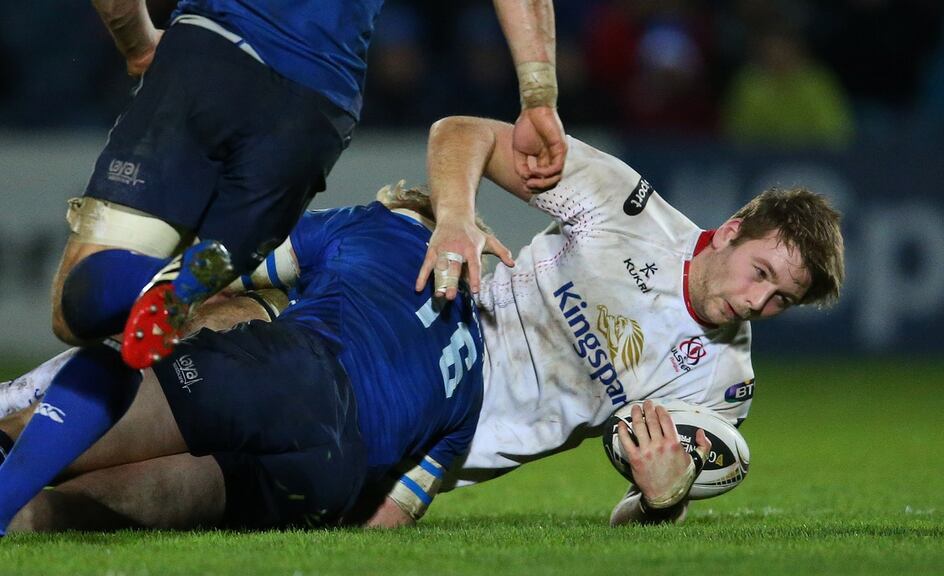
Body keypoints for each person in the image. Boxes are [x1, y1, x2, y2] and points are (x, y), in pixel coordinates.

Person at [2, 114, 844, 529]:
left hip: (428, 433)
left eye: (780, 300)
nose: (758, 301)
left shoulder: (723, 379)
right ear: (731, 229)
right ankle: (19, 418)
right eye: (762, 272)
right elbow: (465, 132)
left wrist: (662, 502)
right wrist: (452, 216)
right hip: (421, 317)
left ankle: (35, 474)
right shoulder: (624, 204)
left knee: (210, 448)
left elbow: (647, 499)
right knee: (227, 323)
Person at [54, 0, 566, 370]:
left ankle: (170, 292)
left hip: (212, 55)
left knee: (74, 311)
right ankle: (202, 291)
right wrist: (539, 95)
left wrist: (138, 41)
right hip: (315, 110)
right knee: (194, 297)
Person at [0, 194, 485, 534]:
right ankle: (36, 517)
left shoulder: (381, 224)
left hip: (290, 373)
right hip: (330, 478)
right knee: (67, 515)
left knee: (48, 439)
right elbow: (392, 515)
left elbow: (227, 265)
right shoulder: (473, 378)